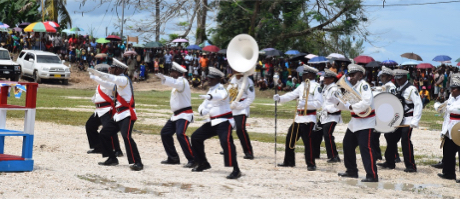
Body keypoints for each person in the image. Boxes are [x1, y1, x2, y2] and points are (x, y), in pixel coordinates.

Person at [89, 58, 143, 171]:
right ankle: (112, 158)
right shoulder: (119, 81)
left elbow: (111, 78)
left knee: (126, 137)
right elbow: (108, 84)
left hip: (127, 114)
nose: (111, 69)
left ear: (118, 69)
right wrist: (95, 78)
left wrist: (100, 74)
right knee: (104, 133)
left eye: (113, 68)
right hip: (119, 114)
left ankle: (138, 162)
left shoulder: (124, 80)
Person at [190, 67, 241, 179]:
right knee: (195, 137)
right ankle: (203, 163)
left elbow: (221, 96)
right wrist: (202, 110)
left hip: (224, 121)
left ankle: (236, 169)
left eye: (212, 79)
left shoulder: (221, 89)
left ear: (218, 79)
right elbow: (203, 104)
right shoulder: (211, 90)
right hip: (213, 122)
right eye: (208, 78)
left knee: (226, 142)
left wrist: (210, 97)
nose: (209, 80)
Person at [273, 65, 323, 171]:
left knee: (308, 142)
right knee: (290, 138)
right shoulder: (302, 85)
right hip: (298, 118)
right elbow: (292, 95)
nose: (302, 75)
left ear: (311, 75)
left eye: (305, 74)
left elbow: (318, 104)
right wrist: (280, 98)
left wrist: (305, 103)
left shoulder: (316, 87)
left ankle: (311, 163)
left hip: (308, 118)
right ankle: (289, 161)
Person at [336, 64, 379, 182]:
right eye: (349, 75)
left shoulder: (364, 85)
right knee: (347, 144)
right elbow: (346, 104)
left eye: (353, 75)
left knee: (366, 149)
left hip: (366, 122)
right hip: (354, 122)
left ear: (360, 75)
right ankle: (351, 171)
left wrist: (351, 106)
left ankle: (372, 175)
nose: (351, 77)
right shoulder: (352, 87)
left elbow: (366, 102)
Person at [155, 62, 195, 168]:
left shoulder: (182, 81)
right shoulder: (177, 82)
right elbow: (174, 83)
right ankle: (173, 158)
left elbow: (175, 83)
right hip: (176, 115)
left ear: (177, 72)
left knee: (180, 134)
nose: (171, 73)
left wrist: (164, 77)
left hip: (185, 114)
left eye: (172, 71)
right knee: (165, 133)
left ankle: (193, 159)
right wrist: (165, 78)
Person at [386, 68, 422, 173]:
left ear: (405, 77)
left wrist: (415, 121)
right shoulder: (397, 88)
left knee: (405, 141)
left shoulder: (411, 89)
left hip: (408, 119)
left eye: (400, 79)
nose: (398, 80)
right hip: (398, 119)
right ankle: (390, 162)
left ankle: (411, 166)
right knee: (390, 137)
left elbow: (418, 104)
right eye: (396, 79)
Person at [86, 66, 123, 157]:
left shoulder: (109, 81)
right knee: (90, 126)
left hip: (107, 109)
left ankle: (117, 150)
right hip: (98, 110)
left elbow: (107, 86)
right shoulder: (100, 83)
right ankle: (98, 147)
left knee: (109, 129)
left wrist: (96, 78)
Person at [377, 66, 403, 170]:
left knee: (390, 138)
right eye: (381, 76)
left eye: (383, 76)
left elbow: (392, 100)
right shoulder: (386, 86)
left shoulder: (390, 87)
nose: (381, 78)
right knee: (388, 138)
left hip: (390, 115)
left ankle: (391, 160)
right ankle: (390, 159)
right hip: (386, 115)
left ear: (388, 77)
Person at [227, 71, 255, 160]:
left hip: (242, 109)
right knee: (226, 129)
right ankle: (228, 149)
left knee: (240, 129)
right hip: (231, 107)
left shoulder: (248, 81)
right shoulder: (233, 80)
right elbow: (228, 93)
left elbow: (251, 97)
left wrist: (240, 105)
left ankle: (248, 152)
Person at [437, 73, 460, 183]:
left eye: (454, 88)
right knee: (448, 151)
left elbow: (456, 109)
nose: (452, 90)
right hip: (449, 126)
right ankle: (448, 173)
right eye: (451, 88)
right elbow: (446, 110)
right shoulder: (451, 97)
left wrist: (449, 107)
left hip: (459, 126)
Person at [319, 69, 341, 163]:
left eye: (326, 78)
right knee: (316, 133)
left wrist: (327, 109)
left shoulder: (335, 89)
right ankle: (315, 153)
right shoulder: (326, 87)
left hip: (332, 116)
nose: (324, 79)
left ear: (332, 79)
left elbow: (338, 103)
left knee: (327, 135)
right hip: (324, 116)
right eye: (324, 77)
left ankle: (334, 156)